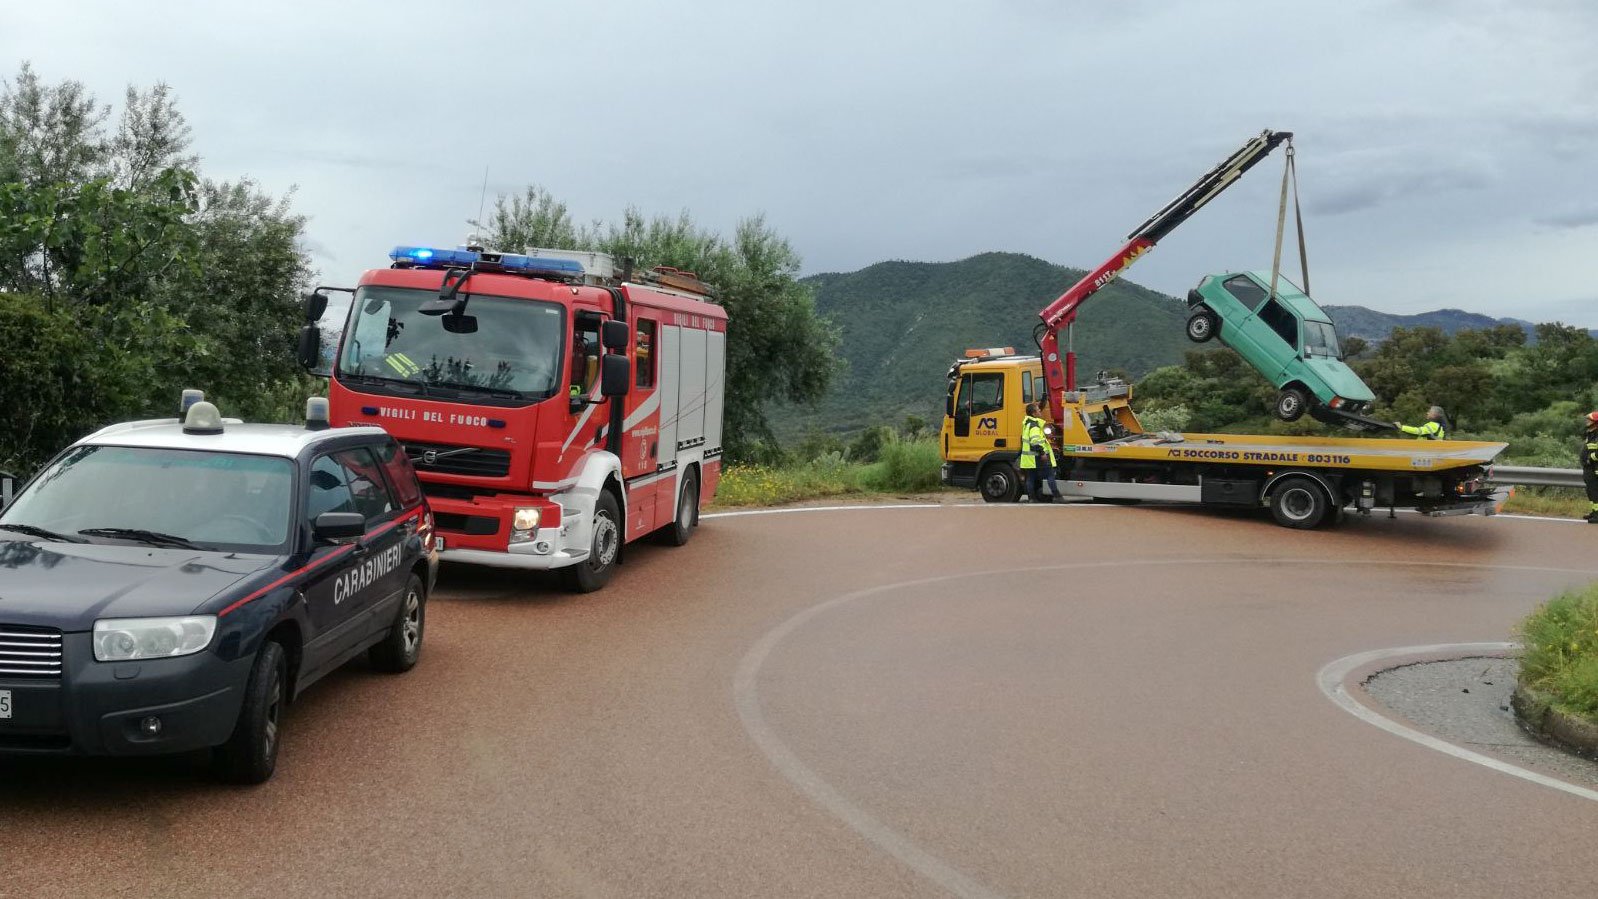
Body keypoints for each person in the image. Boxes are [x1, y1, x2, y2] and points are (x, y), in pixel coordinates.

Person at [1020, 402, 1060, 503]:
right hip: (1037, 456)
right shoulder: (1034, 426)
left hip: (1029, 458)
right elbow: (1035, 442)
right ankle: (1057, 496)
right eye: (1038, 410)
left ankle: (1032, 499)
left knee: (1031, 477)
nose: (1040, 411)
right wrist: (1042, 453)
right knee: (1050, 474)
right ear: (1034, 413)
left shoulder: (1027, 424)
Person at [1582, 411, 1598, 524]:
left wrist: (1590, 458)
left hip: (1594, 468)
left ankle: (1597, 516)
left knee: (1595, 492)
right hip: (1589, 468)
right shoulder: (1591, 433)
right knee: (1590, 491)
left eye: (1590, 420)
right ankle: (1594, 512)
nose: (1587, 421)